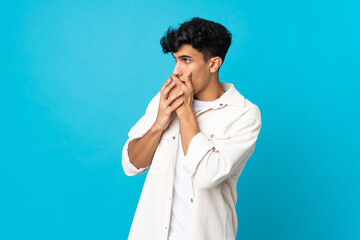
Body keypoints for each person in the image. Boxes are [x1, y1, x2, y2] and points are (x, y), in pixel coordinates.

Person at [122, 17, 262, 240]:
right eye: (176, 60)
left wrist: (186, 113)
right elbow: (130, 165)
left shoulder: (243, 114)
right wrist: (159, 124)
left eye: (186, 60)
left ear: (214, 64)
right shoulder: (164, 100)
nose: (176, 71)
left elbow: (207, 176)